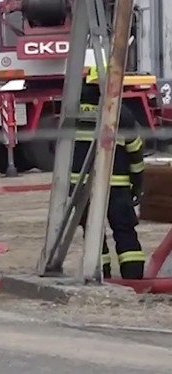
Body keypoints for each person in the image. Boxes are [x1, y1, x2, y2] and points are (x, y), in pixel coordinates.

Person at [70, 65, 146, 280]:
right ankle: (133, 279)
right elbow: (135, 151)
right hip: (117, 186)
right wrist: (137, 183)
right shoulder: (121, 113)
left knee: (94, 234)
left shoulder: (72, 112)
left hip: (80, 186)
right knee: (125, 233)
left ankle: (101, 277)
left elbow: (62, 151)